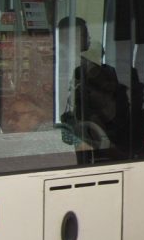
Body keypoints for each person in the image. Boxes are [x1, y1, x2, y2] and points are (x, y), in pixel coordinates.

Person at [58, 16, 137, 158]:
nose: (88, 38)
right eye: (85, 34)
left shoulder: (83, 63)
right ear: (72, 37)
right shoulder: (68, 64)